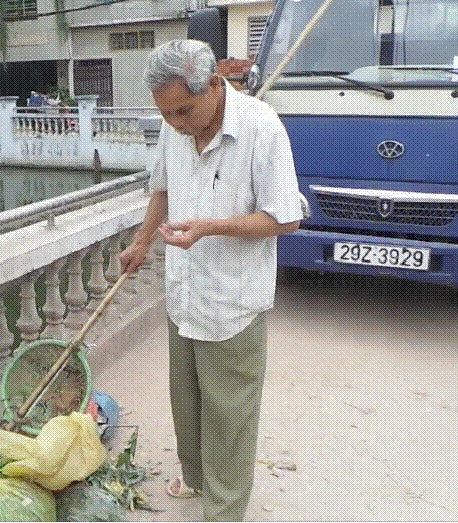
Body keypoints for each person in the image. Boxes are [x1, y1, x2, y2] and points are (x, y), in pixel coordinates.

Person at [119, 39, 303, 521]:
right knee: (188, 403)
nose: (176, 123)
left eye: (184, 111)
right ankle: (197, 477)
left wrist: (210, 227)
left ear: (215, 86)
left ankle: (224, 510)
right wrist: (141, 241)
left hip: (232, 301)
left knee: (230, 416)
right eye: (166, 114)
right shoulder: (173, 128)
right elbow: (162, 188)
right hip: (184, 295)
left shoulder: (262, 128)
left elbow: (286, 218)